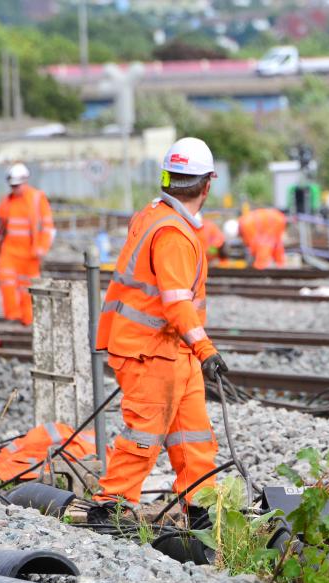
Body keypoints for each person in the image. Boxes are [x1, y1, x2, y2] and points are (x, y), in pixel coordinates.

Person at [89, 137, 229, 529]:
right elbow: (176, 302)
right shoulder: (174, 235)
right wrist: (206, 349)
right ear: (207, 184)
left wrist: (193, 350)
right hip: (150, 350)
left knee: (195, 437)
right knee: (144, 437)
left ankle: (199, 511)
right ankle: (108, 511)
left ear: (167, 180)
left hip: (170, 350)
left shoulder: (153, 215)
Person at [0, 163, 54, 325]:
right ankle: (12, 317)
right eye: (12, 186)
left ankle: (28, 320)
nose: (15, 189)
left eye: (17, 185)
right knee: (6, 282)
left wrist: (42, 248)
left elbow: (48, 227)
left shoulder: (37, 198)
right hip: (9, 252)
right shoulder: (6, 201)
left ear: (25, 181)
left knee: (27, 288)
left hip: (30, 254)